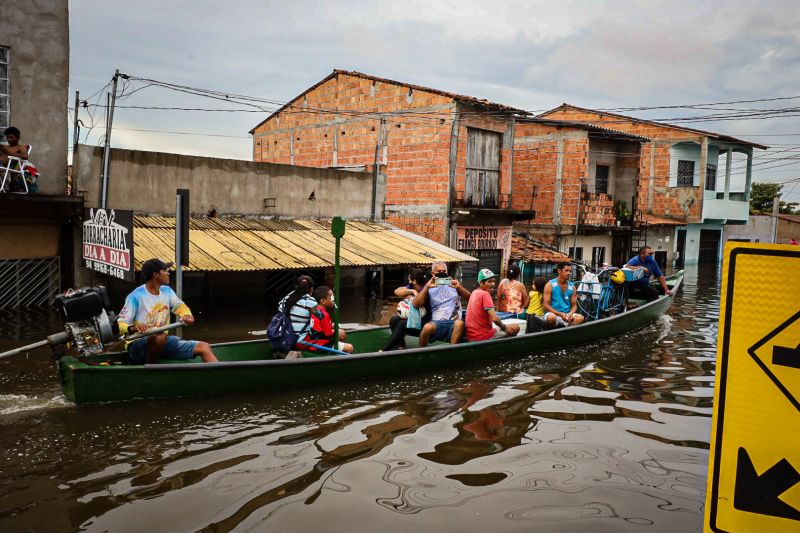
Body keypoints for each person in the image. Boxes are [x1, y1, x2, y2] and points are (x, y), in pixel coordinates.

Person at [118, 258, 218, 364]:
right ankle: (152, 367)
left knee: (204, 347)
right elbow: (121, 323)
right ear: (156, 275)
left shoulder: (167, 291)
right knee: (159, 338)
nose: (168, 273)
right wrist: (133, 328)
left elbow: (180, 306)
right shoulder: (136, 296)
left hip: (162, 342)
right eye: (165, 271)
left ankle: (222, 376)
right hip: (137, 345)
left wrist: (187, 315)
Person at [413, 261, 471, 347]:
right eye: (439, 272)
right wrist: (427, 287)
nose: (442, 273)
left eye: (444, 271)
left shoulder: (454, 284)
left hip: (454, 321)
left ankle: (450, 352)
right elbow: (416, 304)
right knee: (426, 328)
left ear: (447, 272)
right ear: (433, 274)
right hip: (437, 322)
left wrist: (459, 287)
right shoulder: (429, 286)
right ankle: (420, 353)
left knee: (459, 323)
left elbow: (471, 298)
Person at [380, 269, 431, 351]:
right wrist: (412, 291)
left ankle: (383, 350)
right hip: (415, 317)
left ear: (414, 280)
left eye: (409, 277)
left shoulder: (425, 289)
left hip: (425, 320)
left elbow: (418, 304)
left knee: (402, 324)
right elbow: (397, 291)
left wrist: (412, 297)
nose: (408, 278)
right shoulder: (413, 286)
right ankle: (402, 346)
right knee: (394, 319)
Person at [465, 269, 520, 341]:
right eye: (489, 281)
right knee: (516, 327)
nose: (493, 284)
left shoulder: (474, 292)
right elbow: (495, 319)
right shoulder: (485, 294)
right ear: (481, 283)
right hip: (483, 336)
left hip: (470, 336)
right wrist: (505, 328)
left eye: (494, 281)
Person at [306, 286, 353, 353]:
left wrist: (332, 326)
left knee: (340, 333)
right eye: (331, 297)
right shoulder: (324, 315)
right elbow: (329, 335)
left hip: (314, 343)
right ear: (323, 301)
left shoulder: (315, 310)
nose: (333, 300)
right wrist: (337, 332)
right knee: (349, 347)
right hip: (322, 346)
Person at [543, 262, 585, 329]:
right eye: (566, 270)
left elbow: (574, 305)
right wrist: (559, 314)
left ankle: (568, 332)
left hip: (566, 315)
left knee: (580, 318)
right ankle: (551, 334)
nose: (569, 273)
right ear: (559, 271)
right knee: (551, 318)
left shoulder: (572, 287)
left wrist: (571, 313)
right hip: (553, 314)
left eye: (570, 271)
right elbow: (546, 305)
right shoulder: (550, 285)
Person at [277, 275, 317, 346]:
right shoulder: (310, 301)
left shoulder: (286, 298)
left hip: (284, 337)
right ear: (311, 288)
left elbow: (279, 310)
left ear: (296, 286)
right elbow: (316, 321)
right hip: (300, 339)